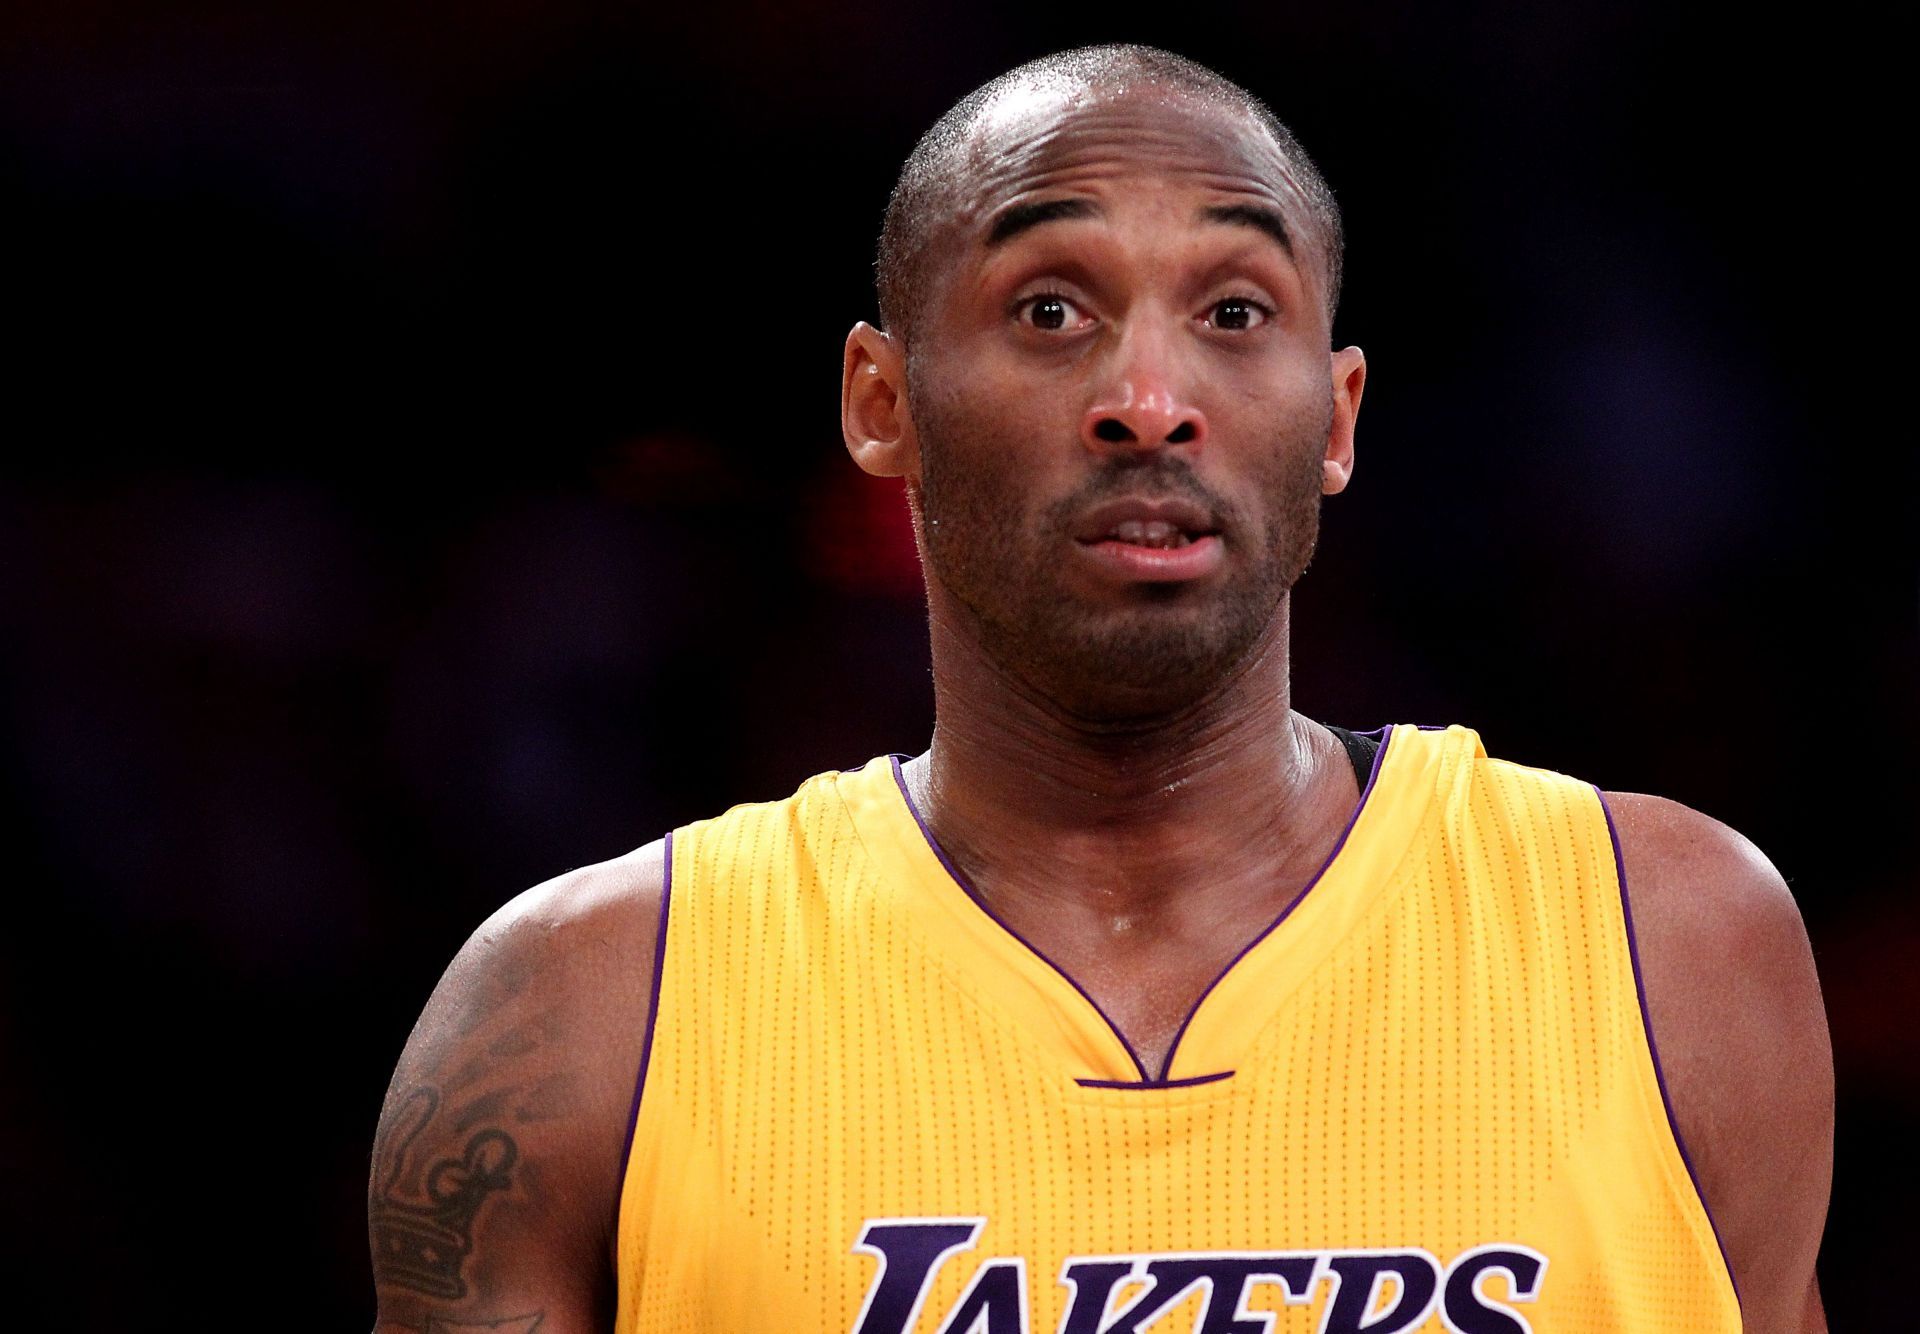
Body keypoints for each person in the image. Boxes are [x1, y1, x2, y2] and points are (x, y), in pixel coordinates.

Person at [368, 44, 1832, 1334]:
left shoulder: (1677, 943)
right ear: (884, 406)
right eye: (1053, 309)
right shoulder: (583, 1009)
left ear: (1337, 419)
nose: (1149, 397)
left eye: (1238, 311)